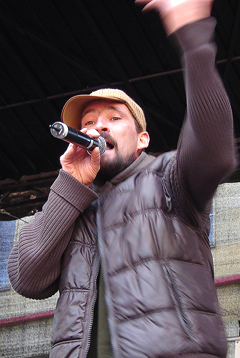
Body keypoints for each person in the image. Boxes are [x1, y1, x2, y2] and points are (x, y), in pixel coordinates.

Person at [8, 0, 237, 357]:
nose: (97, 126)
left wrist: (194, 41)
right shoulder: (70, 204)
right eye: (87, 123)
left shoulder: (168, 178)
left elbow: (215, 148)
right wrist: (71, 184)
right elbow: (27, 280)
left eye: (114, 118)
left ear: (142, 139)